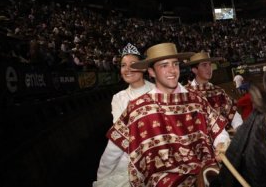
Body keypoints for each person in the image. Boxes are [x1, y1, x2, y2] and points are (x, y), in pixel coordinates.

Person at [107, 43, 230, 187]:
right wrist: (103, 178)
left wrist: (222, 142)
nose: (172, 70)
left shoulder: (196, 100)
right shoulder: (137, 109)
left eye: (175, 64)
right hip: (162, 180)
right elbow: (113, 150)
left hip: (203, 168)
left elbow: (219, 131)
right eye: (164, 65)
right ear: (151, 72)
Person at [94, 43, 154, 187]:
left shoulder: (157, 91)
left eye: (133, 64)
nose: (127, 69)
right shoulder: (118, 98)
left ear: (144, 67)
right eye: (123, 65)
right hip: (128, 157)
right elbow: (122, 134)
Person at [183, 51, 243, 131]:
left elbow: (233, 114)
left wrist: (240, 129)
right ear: (195, 70)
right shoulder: (185, 93)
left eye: (210, 64)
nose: (209, 68)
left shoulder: (219, 91)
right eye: (204, 65)